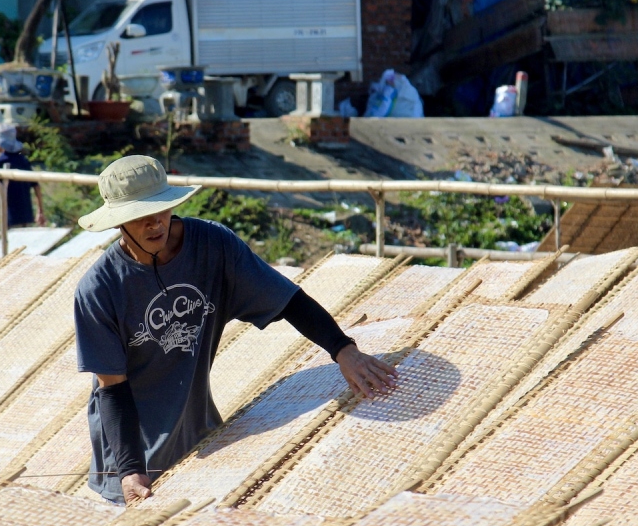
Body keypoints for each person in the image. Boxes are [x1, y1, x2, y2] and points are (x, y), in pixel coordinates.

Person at [73, 155, 399, 505]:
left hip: (199, 434)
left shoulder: (213, 246)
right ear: (117, 223)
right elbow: (112, 389)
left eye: (160, 209)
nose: (155, 223)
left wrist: (343, 349)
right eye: (138, 216)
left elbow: (285, 298)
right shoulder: (99, 290)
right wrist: (129, 469)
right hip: (129, 456)